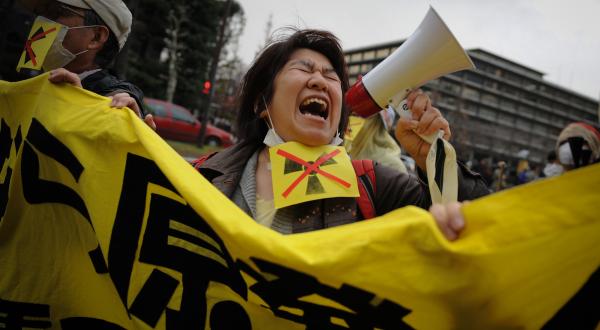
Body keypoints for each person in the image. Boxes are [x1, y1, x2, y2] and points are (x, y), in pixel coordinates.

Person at [195, 29, 489, 240]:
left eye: (331, 76)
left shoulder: (373, 185)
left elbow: (487, 219)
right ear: (262, 103)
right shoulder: (203, 175)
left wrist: (433, 160)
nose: (320, 82)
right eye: (304, 69)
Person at [25, 0, 154, 128]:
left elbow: (124, 96)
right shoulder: (26, 77)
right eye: (40, 12)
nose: (41, 21)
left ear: (96, 37)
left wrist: (101, 108)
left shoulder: (109, 98)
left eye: (55, 12)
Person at [347, 107, 408, 174]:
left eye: (359, 115)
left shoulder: (391, 166)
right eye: (352, 114)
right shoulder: (345, 151)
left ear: (376, 125)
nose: (351, 120)